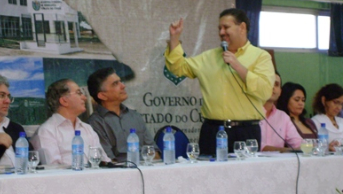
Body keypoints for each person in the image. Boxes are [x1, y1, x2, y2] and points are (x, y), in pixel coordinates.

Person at [165, 8, 275, 155]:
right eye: (219, 28)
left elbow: (265, 91)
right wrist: (174, 38)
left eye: (226, 27)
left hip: (246, 132)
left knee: (246, 177)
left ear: (242, 27)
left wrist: (237, 65)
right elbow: (177, 68)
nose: (221, 32)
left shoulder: (261, 56)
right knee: (209, 177)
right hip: (212, 131)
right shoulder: (209, 57)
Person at [31, 79, 111, 165]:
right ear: (64, 101)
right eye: (79, 93)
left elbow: (103, 160)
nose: (84, 97)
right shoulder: (47, 131)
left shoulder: (87, 128)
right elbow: (52, 169)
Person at [87, 67, 159, 162]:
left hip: (145, 169)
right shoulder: (96, 122)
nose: (123, 86)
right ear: (102, 95)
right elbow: (107, 160)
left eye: (120, 81)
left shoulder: (134, 115)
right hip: (119, 173)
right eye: (115, 84)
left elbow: (153, 151)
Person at [260, 72, 302, 152]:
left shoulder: (283, 116)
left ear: (280, 92)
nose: (272, 87)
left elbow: (298, 142)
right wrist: (283, 150)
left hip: (279, 163)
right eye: (269, 83)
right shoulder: (250, 113)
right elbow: (256, 145)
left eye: (276, 84)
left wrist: (321, 146)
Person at [311, 83, 343, 151]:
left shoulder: (341, 121)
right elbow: (312, 146)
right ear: (324, 100)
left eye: (341, 104)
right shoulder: (315, 121)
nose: (339, 108)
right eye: (335, 102)